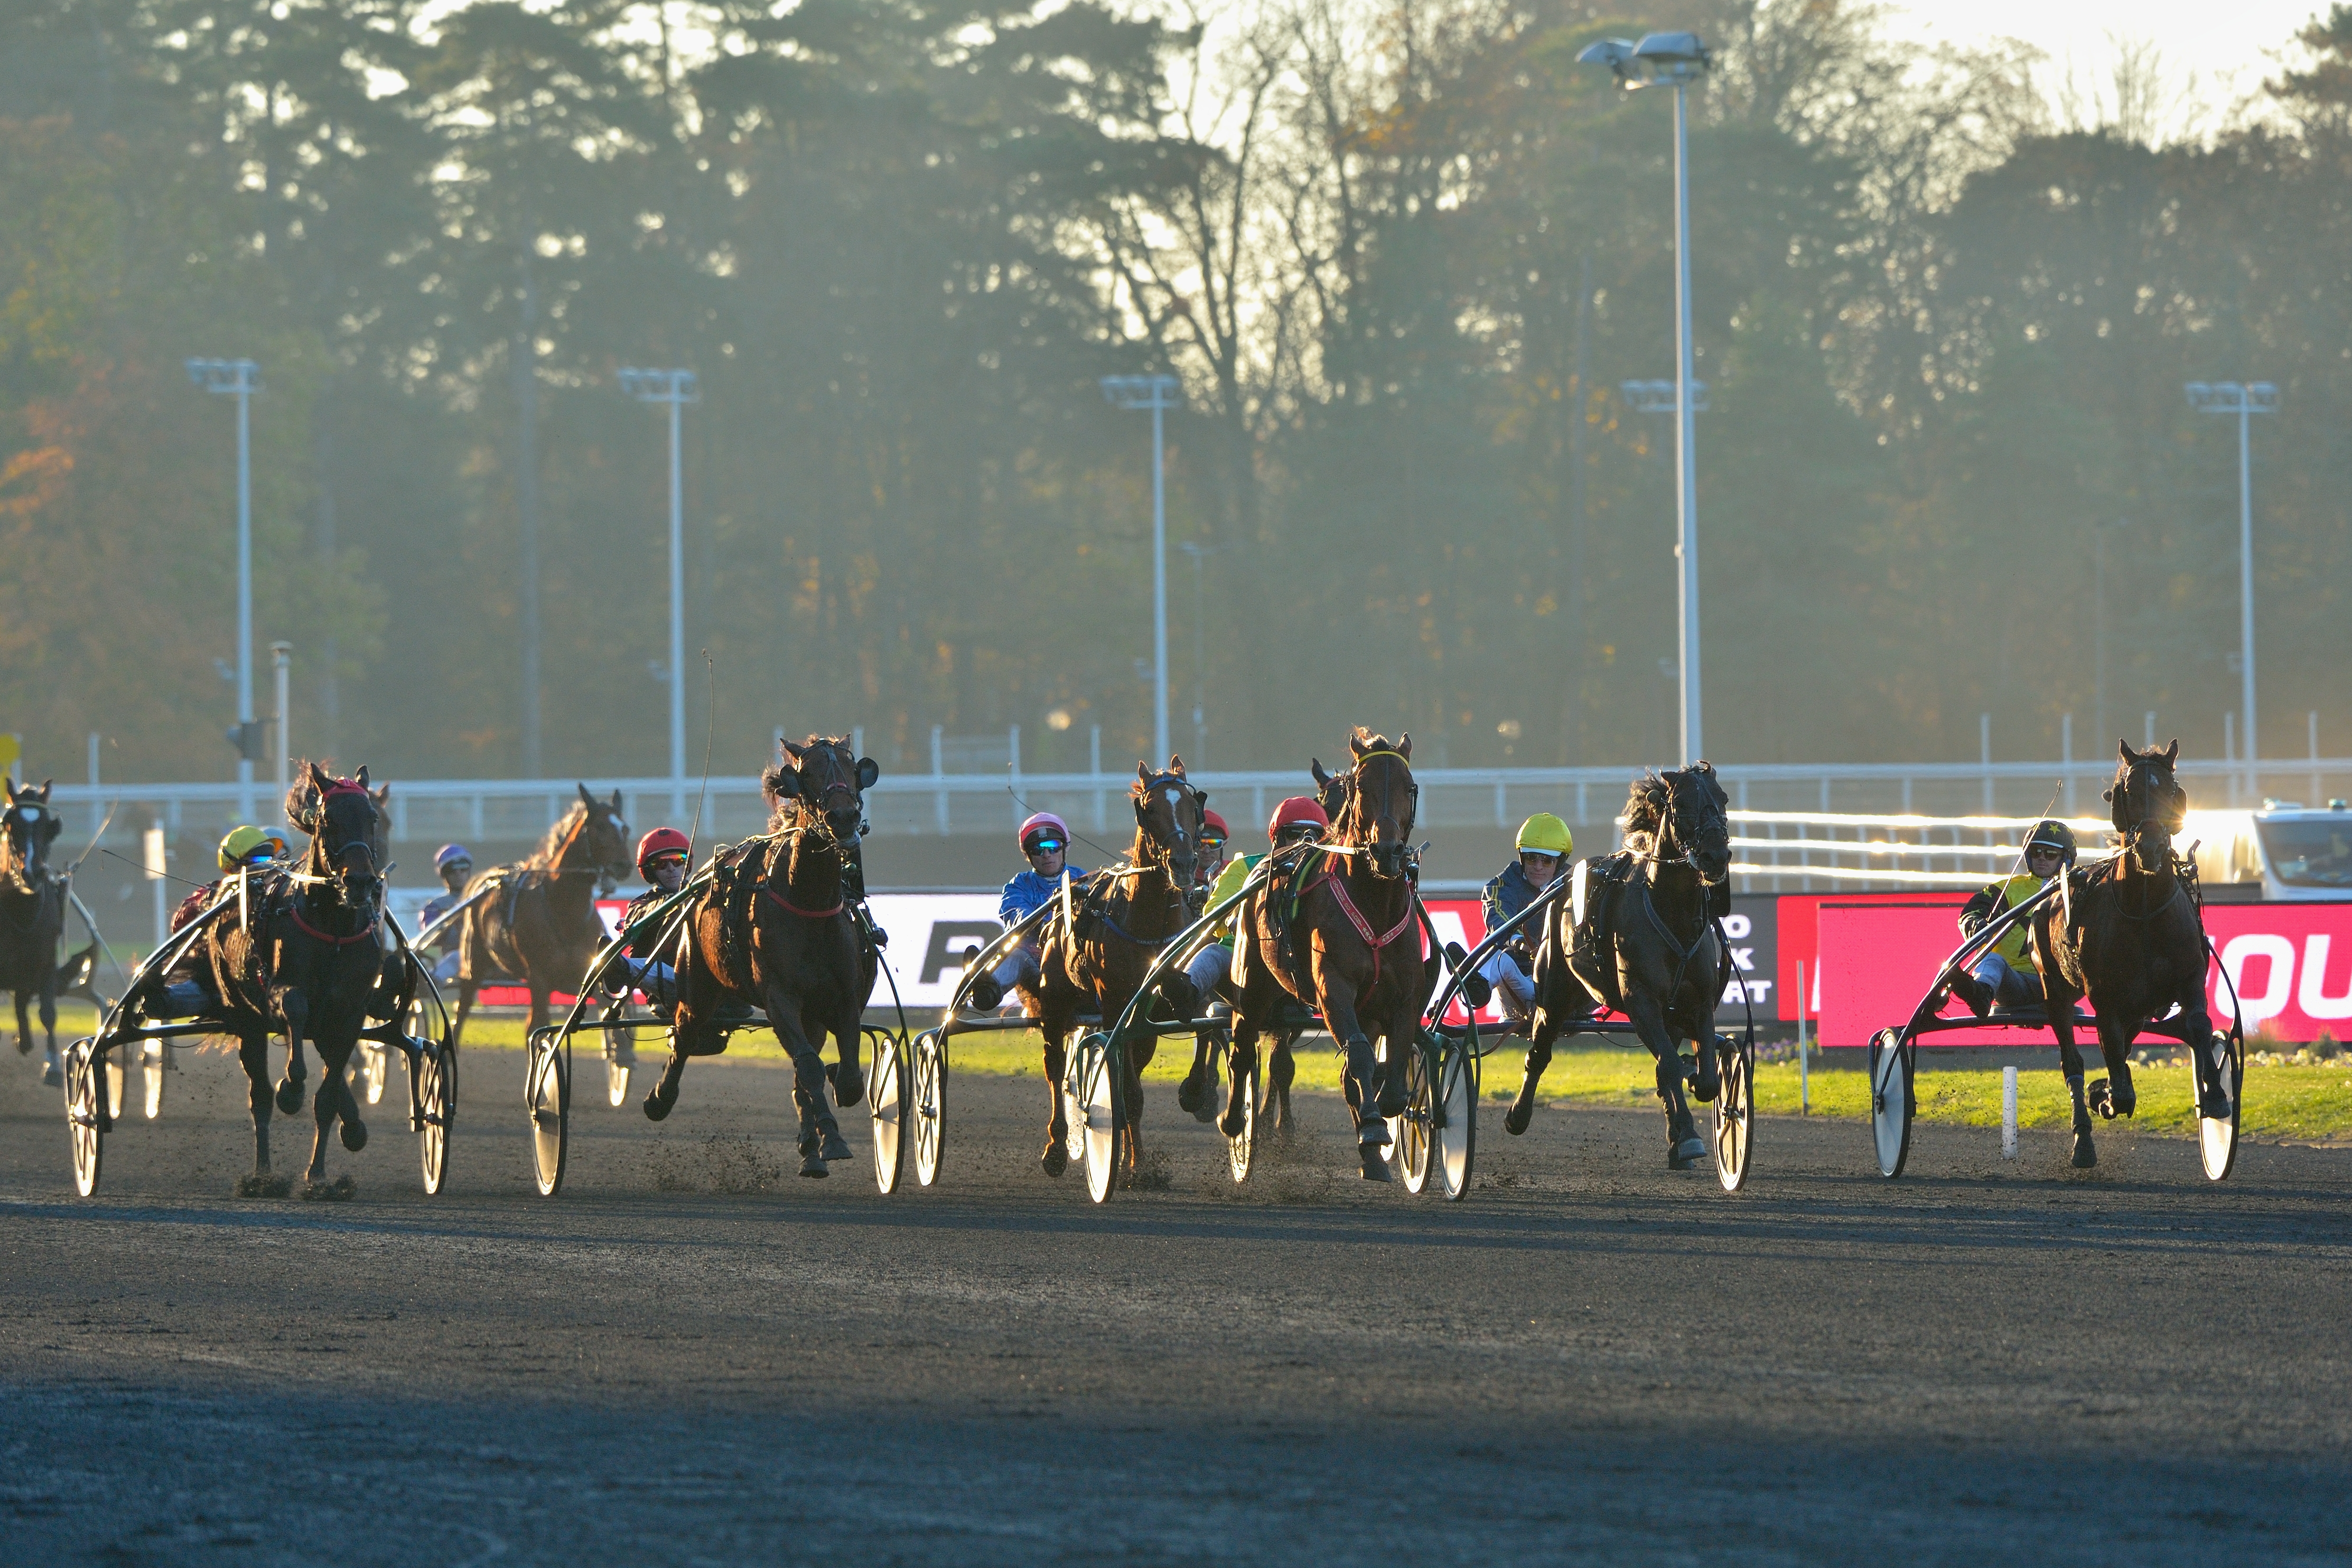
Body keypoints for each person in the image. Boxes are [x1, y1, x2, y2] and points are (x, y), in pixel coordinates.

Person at [1180, 796, 1329, 1012]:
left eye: (1315, 835)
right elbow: (1213, 913)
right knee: (1213, 952)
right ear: (1277, 838)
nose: (1304, 842)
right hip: (1241, 963)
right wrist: (1237, 922)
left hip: (1303, 965)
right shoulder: (1246, 867)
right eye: (1295, 834)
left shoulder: (1329, 875)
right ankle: (1186, 994)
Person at [139, 826, 282, 1019]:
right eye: (260, 861)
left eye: (270, 860)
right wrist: (210, 903)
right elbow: (179, 925)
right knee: (162, 1004)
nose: (267, 866)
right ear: (236, 865)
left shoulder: (279, 894)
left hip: (268, 980)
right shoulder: (215, 892)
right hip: (214, 981)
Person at [1948, 819, 2074, 1016]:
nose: (2042, 858)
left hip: (2063, 986)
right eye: (2036, 852)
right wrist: (1975, 926)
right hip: (2013, 982)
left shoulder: (2076, 891)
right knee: (1992, 959)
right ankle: (1980, 994)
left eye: (2050, 854)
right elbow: (1970, 914)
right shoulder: (2006, 889)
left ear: (2065, 859)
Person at [966, 813, 1090, 1011]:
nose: (1047, 855)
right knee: (1015, 955)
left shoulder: (1085, 880)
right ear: (1028, 855)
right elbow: (1016, 915)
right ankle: (987, 990)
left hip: (1081, 964)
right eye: (1038, 849)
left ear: (1064, 847)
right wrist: (1047, 925)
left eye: (1052, 846)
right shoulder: (1018, 886)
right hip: (1036, 968)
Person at [1476, 814, 1572, 1031]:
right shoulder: (1504, 885)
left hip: (1565, 987)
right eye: (1532, 858)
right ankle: (1476, 988)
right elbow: (1498, 916)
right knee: (1495, 952)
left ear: (1560, 862)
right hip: (1523, 987)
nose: (1538, 866)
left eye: (1547, 860)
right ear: (1522, 858)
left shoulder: (1576, 883)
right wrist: (1519, 942)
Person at [612, 828, 692, 1006]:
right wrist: (675, 902)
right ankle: (617, 969)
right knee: (645, 967)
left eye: (679, 861)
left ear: (688, 865)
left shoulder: (707, 893)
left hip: (708, 976)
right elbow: (636, 919)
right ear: (650, 871)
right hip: (668, 981)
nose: (671, 869)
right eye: (661, 864)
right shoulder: (641, 904)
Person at [418, 844, 474, 984]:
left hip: (489, 954)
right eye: (452, 870)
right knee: (457, 957)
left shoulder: (485, 898)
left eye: (463, 869)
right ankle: (431, 984)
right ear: (444, 875)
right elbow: (430, 938)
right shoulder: (435, 906)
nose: (459, 874)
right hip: (459, 956)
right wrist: (449, 919)